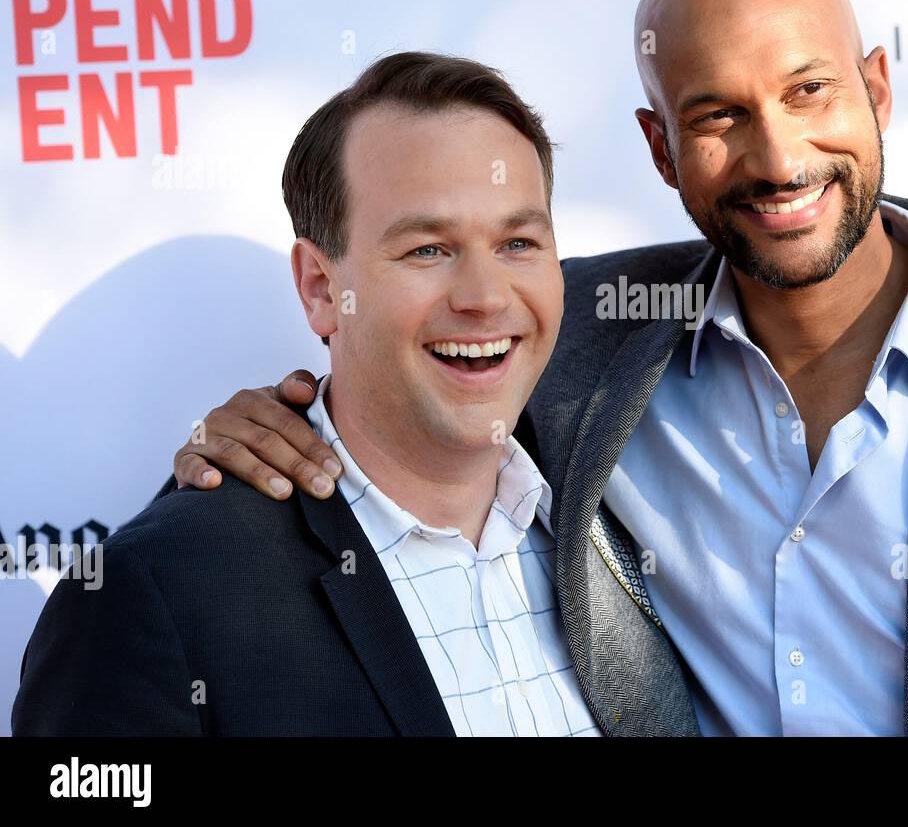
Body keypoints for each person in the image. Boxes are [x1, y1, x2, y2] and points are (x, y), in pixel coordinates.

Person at [161, 0, 908, 736]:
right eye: (717, 116)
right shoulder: (578, 337)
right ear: (660, 148)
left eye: (807, 92)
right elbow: (420, 356)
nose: (778, 155)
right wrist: (260, 423)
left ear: (876, 90)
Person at [13, 52, 600, 736]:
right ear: (322, 288)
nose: (485, 297)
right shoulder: (163, 594)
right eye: (427, 250)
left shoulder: (617, 494)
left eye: (518, 242)